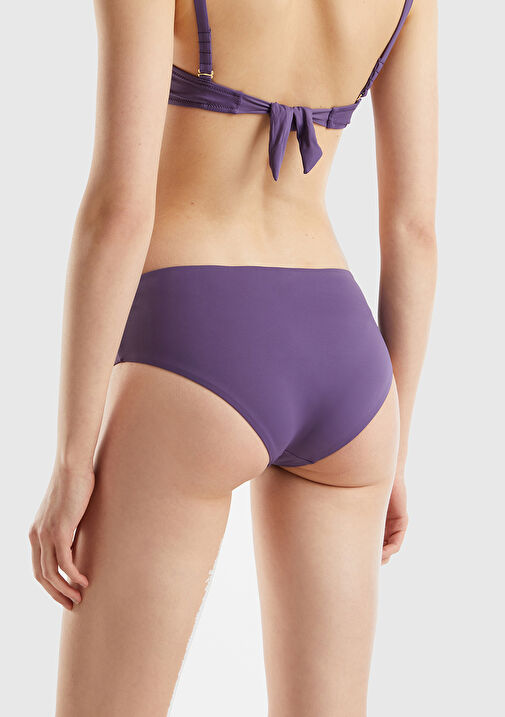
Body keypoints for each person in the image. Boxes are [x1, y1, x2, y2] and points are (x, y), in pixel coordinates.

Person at [29, 0, 438, 714]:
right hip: (349, 368)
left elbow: (119, 210)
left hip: (196, 338)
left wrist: (71, 461)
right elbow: (414, 230)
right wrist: (394, 447)